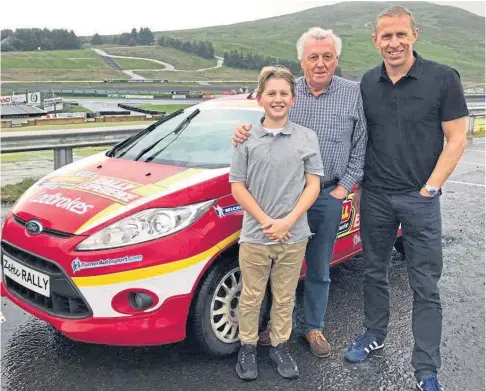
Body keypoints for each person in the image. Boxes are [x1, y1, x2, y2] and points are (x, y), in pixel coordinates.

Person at [344, 6, 468, 391]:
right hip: (376, 197)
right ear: (375, 41)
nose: (394, 43)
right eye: (386, 36)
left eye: (401, 35)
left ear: (414, 34)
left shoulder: (443, 78)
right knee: (373, 273)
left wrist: (430, 188)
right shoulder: (366, 83)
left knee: (425, 285)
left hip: (420, 199)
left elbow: (457, 139)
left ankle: (426, 369)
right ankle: (374, 334)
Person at [232, 27, 367, 358]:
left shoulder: (353, 93)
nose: (320, 64)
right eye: (313, 57)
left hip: (327, 194)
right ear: (301, 60)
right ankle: (279, 330)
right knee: (281, 267)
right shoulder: (287, 91)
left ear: (336, 59)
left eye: (327, 56)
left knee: (319, 266)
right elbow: (267, 124)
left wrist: (344, 188)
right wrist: (241, 130)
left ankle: (313, 327)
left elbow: (362, 142)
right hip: (282, 197)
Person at [229, 65, 324, 380]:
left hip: (293, 236)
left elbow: (313, 185)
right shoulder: (244, 139)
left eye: (284, 93)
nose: (278, 98)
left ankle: (280, 345)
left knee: (285, 295)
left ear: (293, 99)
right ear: (260, 99)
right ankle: (248, 347)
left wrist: (289, 222)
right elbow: (237, 186)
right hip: (255, 236)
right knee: (251, 295)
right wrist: (267, 220)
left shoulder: (306, 137)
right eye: (271, 93)